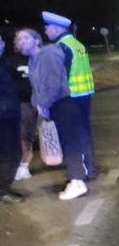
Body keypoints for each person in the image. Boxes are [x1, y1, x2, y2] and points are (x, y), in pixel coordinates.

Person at [15, 28, 87, 200]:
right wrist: (38, 104)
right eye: (18, 40)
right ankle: (75, 178)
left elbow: (53, 83)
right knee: (64, 142)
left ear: (36, 39)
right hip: (51, 106)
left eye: (25, 38)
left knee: (70, 143)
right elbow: (36, 88)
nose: (21, 42)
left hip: (62, 104)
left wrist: (44, 104)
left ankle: (78, 182)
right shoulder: (33, 60)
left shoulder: (48, 54)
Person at [42, 12, 96, 181]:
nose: (45, 32)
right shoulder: (76, 44)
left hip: (70, 98)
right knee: (84, 133)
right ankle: (89, 169)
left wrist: (47, 101)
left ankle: (81, 174)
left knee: (74, 137)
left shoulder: (60, 47)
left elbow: (58, 77)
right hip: (83, 95)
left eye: (47, 28)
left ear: (56, 28)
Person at [5, 40, 36, 181]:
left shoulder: (37, 57)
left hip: (40, 102)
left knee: (36, 135)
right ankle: (23, 165)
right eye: (18, 40)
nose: (21, 43)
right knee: (23, 136)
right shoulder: (11, 61)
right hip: (22, 103)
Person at [0, 35, 25, 204]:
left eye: (1, 40)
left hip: (10, 113)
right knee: (10, 154)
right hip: (4, 115)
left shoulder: (4, 62)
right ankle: (2, 191)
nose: (1, 44)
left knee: (13, 153)